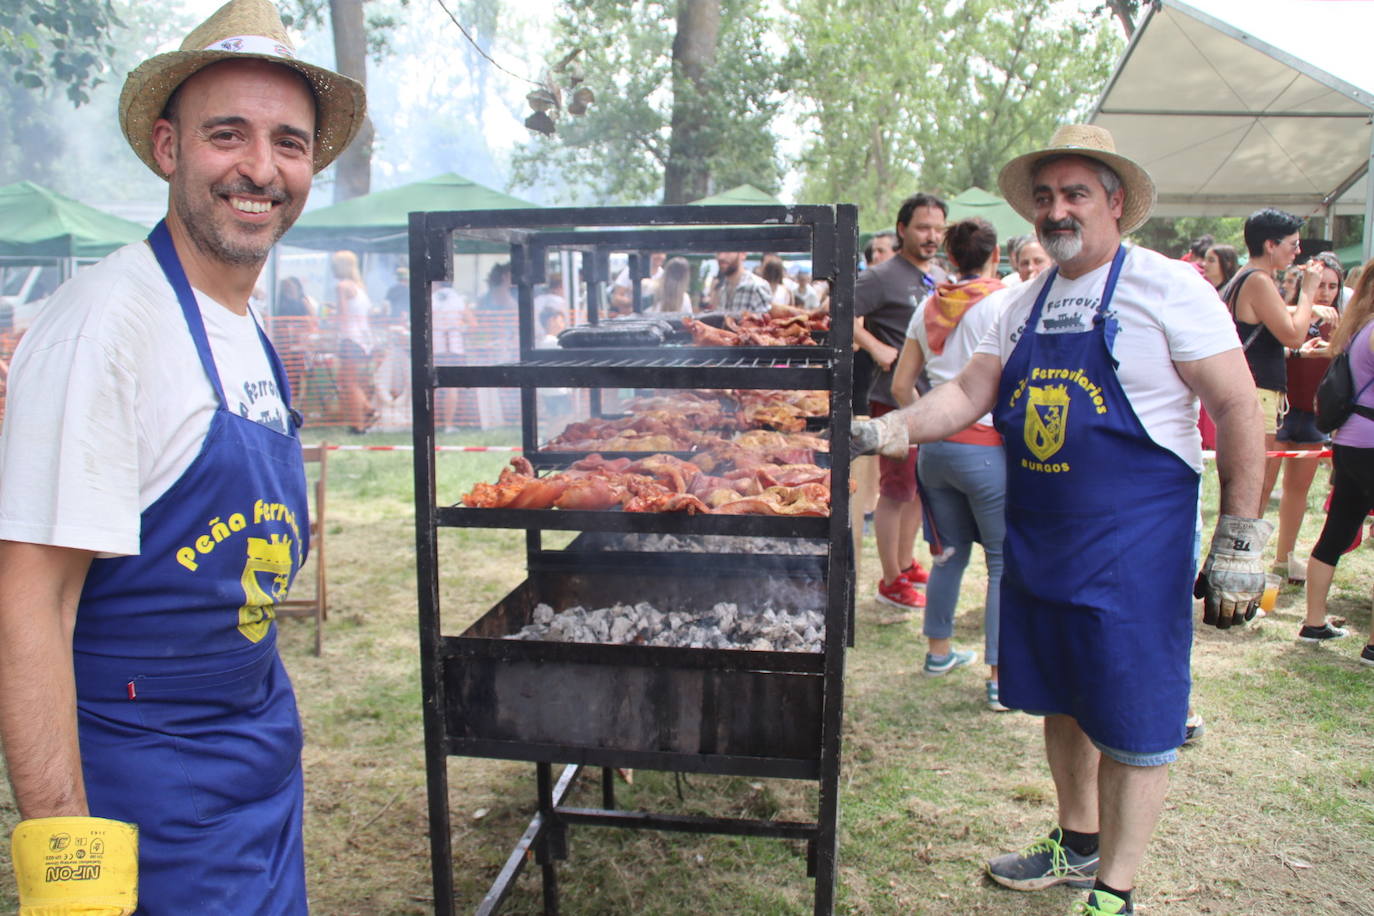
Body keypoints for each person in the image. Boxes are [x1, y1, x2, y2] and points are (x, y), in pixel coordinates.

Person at [0, 0, 366, 911]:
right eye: (227, 134)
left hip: (257, 772)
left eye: (289, 142)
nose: (260, 168)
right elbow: (27, 602)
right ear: (168, 149)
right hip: (147, 792)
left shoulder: (248, 332)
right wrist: (73, 883)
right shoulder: (105, 326)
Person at [854, 124, 1267, 916]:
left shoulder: (1168, 288)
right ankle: (1075, 843)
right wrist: (884, 431)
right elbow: (968, 393)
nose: (1057, 210)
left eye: (1076, 193)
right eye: (1044, 197)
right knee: (1061, 699)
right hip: (1043, 536)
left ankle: (1115, 889)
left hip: (1135, 545)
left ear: (1115, 203)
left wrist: (1241, 535)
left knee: (1136, 713)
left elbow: (1237, 404)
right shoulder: (1019, 303)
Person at [891, 217, 1010, 704]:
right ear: (995, 255)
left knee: (948, 554)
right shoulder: (1006, 302)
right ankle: (1001, 679)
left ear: (950, 257)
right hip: (987, 447)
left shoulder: (927, 305)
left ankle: (939, 651)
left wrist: (926, 424)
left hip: (934, 448)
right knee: (1003, 563)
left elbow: (901, 386)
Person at [854, 193, 949, 614]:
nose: (932, 237)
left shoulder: (941, 276)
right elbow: (836, 315)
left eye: (938, 229)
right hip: (892, 400)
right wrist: (876, 347)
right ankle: (890, 582)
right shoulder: (881, 276)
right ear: (902, 230)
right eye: (923, 228)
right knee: (895, 490)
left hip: (936, 402)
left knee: (917, 489)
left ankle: (907, 563)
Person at [1299, 259, 1374, 649]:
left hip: (1350, 441)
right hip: (1368, 442)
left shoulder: (1359, 326)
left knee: (1336, 531)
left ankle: (1314, 624)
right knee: (1337, 530)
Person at [1272, 252, 1345, 582]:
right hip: (1280, 408)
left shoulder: (1343, 320)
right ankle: (1247, 561)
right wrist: (1303, 349)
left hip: (1316, 414)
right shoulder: (1288, 312)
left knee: (1297, 490)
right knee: (1261, 489)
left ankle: (1284, 559)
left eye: (1333, 286)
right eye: (1321, 285)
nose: (1326, 292)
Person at [332, 248, 378, 432]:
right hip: (364, 340)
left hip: (350, 339)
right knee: (352, 381)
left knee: (349, 382)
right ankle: (364, 416)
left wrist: (334, 335)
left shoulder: (342, 286)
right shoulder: (360, 287)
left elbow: (342, 315)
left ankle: (364, 418)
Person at [706, 251, 771, 313]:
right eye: (718, 252)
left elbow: (768, 322)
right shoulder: (723, 288)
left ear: (743, 254)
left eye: (728, 251)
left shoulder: (757, 287)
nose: (721, 257)